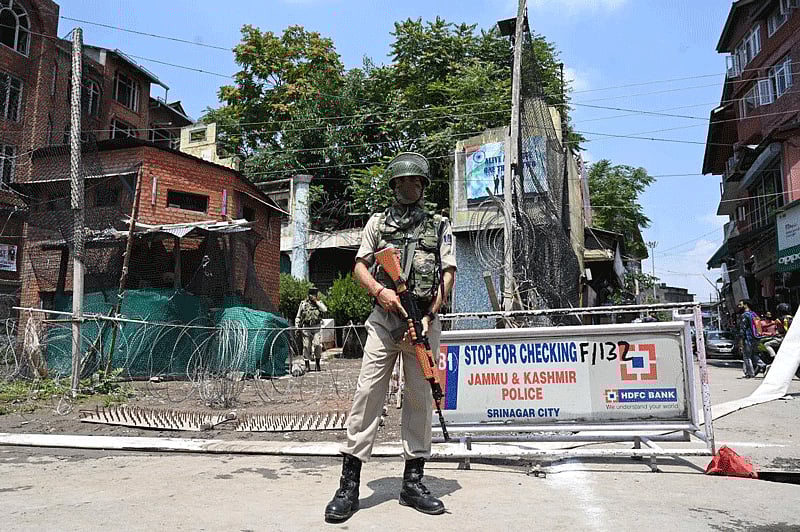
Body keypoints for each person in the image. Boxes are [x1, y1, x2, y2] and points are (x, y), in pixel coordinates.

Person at [324, 152, 457, 523]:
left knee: (419, 398)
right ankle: (349, 483)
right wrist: (381, 293)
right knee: (368, 394)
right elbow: (360, 267)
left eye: (414, 181)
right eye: (401, 181)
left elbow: (447, 273)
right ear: (393, 185)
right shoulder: (377, 223)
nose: (407, 186)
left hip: (422, 324)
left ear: (423, 185)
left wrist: (431, 314)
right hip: (384, 321)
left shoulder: (440, 225)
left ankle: (413, 481)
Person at [294, 286, 327, 375]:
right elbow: (298, 316)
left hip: (316, 326)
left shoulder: (319, 303)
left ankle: (317, 363)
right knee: (306, 346)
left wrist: (316, 301)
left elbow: (324, 309)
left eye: (314, 294)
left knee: (317, 345)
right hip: (306, 327)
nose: (312, 296)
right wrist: (297, 326)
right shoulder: (303, 304)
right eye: (311, 294)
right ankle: (307, 364)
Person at [737, 299, 767, 378]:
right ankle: (763, 365)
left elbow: (742, 329)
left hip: (748, 338)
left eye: (740, 305)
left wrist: (741, 341)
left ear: (746, 305)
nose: (739, 306)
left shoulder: (745, 315)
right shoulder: (754, 314)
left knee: (747, 356)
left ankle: (750, 373)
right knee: (753, 355)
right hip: (756, 338)